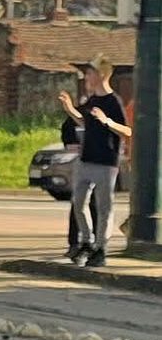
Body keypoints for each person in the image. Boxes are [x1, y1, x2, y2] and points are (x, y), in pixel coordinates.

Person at [58, 55, 132, 268]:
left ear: (102, 75)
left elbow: (127, 130)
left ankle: (100, 248)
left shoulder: (113, 101)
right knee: (78, 203)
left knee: (103, 207)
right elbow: (86, 122)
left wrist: (107, 121)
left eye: (90, 73)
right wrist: (70, 110)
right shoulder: (92, 101)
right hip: (85, 160)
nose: (87, 77)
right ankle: (86, 242)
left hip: (105, 162)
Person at [60, 111, 97, 257]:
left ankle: (95, 244)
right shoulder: (77, 114)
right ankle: (75, 244)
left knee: (97, 204)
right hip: (81, 163)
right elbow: (67, 133)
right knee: (78, 203)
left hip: (102, 164)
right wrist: (72, 145)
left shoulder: (109, 108)